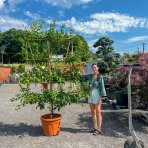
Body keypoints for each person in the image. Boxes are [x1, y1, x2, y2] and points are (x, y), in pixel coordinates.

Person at [81, 63, 107, 135]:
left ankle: (99, 128)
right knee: (93, 112)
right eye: (93, 68)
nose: (94, 69)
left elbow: (102, 88)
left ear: (97, 68)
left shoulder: (100, 77)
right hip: (90, 95)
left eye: (95, 67)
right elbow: (82, 78)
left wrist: (100, 98)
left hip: (97, 95)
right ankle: (95, 126)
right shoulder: (90, 76)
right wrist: (81, 71)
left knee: (98, 112)